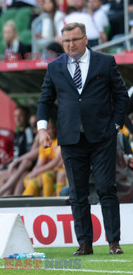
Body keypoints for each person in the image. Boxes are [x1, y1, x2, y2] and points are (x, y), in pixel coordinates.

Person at [37, 22, 128, 256]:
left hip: (102, 136)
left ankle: (113, 242)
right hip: (69, 138)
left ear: (86, 39)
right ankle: (85, 243)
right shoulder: (54, 67)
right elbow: (45, 100)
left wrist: (116, 126)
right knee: (77, 193)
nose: (71, 45)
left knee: (107, 187)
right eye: (66, 41)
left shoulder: (105, 62)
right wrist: (42, 128)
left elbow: (121, 97)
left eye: (75, 39)